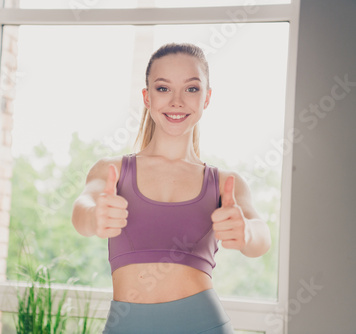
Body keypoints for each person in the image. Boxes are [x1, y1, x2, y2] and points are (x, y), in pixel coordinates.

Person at [71, 43, 271, 334]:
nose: (177, 101)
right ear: (147, 97)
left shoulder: (225, 182)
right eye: (163, 89)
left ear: (207, 98)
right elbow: (82, 209)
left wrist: (246, 233)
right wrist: (94, 216)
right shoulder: (112, 170)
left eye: (191, 89)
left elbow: (261, 236)